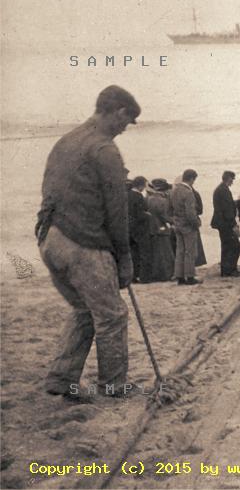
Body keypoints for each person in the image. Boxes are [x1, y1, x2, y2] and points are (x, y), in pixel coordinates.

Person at [35, 85, 140, 399]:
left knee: (83, 310)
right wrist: (124, 257)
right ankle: (113, 386)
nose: (124, 129)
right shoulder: (104, 148)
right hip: (83, 244)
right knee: (112, 316)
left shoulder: (67, 140)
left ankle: (61, 378)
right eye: (126, 121)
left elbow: (48, 190)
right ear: (118, 111)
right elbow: (116, 210)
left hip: (50, 239)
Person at [172, 169, 202, 285]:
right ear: (191, 179)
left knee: (180, 251)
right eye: (194, 180)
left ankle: (179, 276)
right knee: (190, 252)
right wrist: (196, 223)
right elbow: (190, 213)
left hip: (178, 224)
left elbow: (169, 209)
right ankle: (190, 276)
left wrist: (175, 220)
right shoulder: (188, 193)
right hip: (188, 226)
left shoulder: (174, 191)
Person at [211, 170, 240, 277]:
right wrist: (233, 223)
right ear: (228, 178)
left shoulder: (220, 189)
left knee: (226, 246)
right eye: (232, 179)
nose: (232, 181)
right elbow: (227, 209)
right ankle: (230, 269)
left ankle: (226, 269)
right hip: (226, 223)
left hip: (221, 222)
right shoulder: (223, 190)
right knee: (235, 246)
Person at [146, 178, 175, 282]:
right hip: (162, 228)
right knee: (165, 253)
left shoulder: (148, 199)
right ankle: (166, 275)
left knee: (155, 253)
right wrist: (173, 221)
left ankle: (156, 274)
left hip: (151, 228)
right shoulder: (162, 200)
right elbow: (164, 216)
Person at [128, 176, 152, 283]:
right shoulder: (138, 196)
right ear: (141, 185)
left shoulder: (127, 195)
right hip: (140, 228)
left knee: (134, 253)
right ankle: (144, 277)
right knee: (144, 252)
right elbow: (139, 214)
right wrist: (148, 215)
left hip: (130, 228)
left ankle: (133, 276)